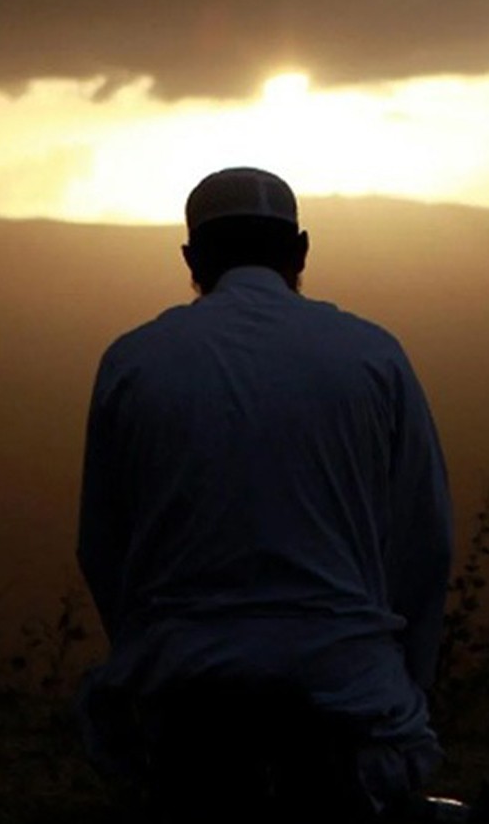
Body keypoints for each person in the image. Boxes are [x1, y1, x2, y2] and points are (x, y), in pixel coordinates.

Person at [75, 167, 457, 822]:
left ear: (191, 259)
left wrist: (153, 651)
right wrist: (400, 681)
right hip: (349, 693)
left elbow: (102, 546)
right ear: (301, 250)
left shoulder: (133, 361)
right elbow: (426, 540)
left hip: (179, 693)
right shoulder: (373, 356)